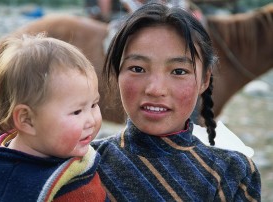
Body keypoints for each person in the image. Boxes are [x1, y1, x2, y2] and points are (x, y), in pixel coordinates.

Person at [92, 2, 261, 201]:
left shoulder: (233, 173)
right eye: (137, 68)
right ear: (117, 72)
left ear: (205, 80)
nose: (155, 89)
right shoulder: (86, 165)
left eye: (179, 71)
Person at [0, 34, 108, 201]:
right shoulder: (11, 187)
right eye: (77, 112)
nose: (92, 120)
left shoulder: (61, 147)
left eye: (94, 105)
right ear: (27, 120)